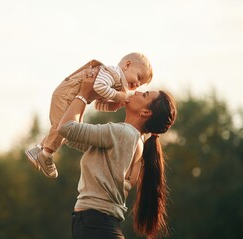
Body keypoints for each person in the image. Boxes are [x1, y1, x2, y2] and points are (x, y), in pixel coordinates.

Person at [56, 77, 177, 239]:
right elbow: (73, 137)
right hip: (99, 225)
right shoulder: (134, 139)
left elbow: (66, 128)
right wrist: (86, 99)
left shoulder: (122, 133)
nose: (138, 91)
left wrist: (84, 94)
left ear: (146, 112)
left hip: (95, 225)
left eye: (145, 94)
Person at [25, 52, 153, 178]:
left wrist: (112, 106)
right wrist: (118, 96)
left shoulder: (115, 84)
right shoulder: (113, 73)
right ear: (127, 65)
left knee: (64, 128)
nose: (137, 85)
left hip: (72, 98)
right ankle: (46, 154)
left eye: (140, 85)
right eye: (139, 78)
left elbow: (98, 104)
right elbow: (98, 86)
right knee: (62, 128)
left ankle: (37, 150)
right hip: (66, 95)